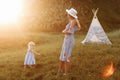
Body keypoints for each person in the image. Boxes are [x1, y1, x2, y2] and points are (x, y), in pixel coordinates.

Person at [58, 8, 81, 75]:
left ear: (69, 15)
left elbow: (69, 32)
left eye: (68, 14)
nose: (67, 14)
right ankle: (60, 70)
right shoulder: (72, 22)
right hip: (67, 40)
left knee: (67, 56)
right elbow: (78, 28)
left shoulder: (73, 22)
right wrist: (65, 30)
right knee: (63, 54)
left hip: (69, 41)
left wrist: (64, 31)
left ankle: (65, 72)